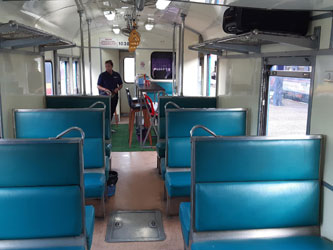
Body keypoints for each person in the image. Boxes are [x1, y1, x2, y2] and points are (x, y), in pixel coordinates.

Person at [97, 60, 123, 127]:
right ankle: (104, 127)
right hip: (104, 97)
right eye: (106, 66)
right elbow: (98, 86)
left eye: (108, 66)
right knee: (105, 112)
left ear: (112, 66)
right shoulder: (102, 75)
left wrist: (118, 88)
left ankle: (108, 126)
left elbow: (121, 84)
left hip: (114, 96)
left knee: (112, 111)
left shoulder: (116, 75)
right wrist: (105, 89)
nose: (107, 68)